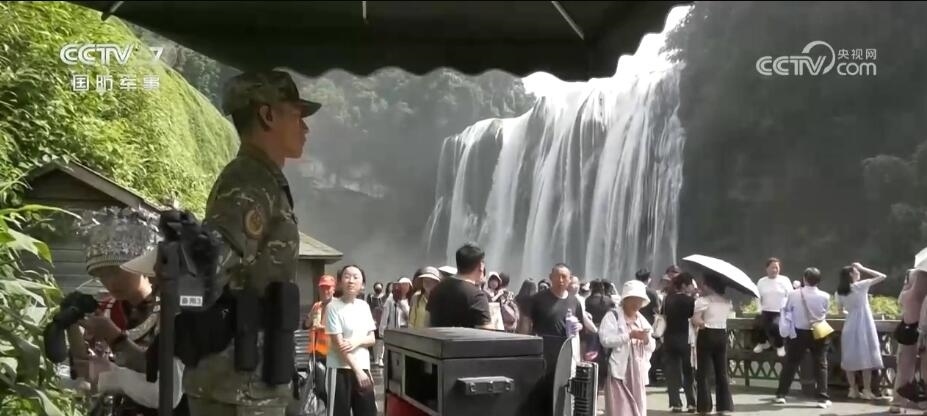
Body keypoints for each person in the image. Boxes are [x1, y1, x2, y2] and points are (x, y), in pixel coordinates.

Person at [182, 69, 319, 416]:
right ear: (267, 114)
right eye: (297, 115)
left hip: (250, 376)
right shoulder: (250, 182)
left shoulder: (262, 180)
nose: (305, 128)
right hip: (237, 385)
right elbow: (208, 272)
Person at [69, 207, 185, 415]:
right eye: (101, 275)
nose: (110, 282)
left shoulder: (172, 309)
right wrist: (71, 324)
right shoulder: (106, 309)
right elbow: (84, 372)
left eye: (116, 271)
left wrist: (114, 339)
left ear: (142, 266)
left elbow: (166, 387)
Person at [518, 263, 586, 415]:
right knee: (540, 395)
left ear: (570, 279)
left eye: (564, 277)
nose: (560, 280)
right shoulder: (537, 299)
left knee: (562, 395)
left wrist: (580, 358)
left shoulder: (575, 302)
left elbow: (582, 334)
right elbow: (525, 328)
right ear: (550, 277)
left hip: (566, 355)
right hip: (543, 355)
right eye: (557, 276)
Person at [774, 267, 832, 409]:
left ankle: (781, 395)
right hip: (819, 332)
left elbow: (787, 309)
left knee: (791, 363)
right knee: (821, 364)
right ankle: (822, 398)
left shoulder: (794, 294)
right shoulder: (825, 296)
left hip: (799, 333)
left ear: (805, 279)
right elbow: (825, 312)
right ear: (818, 280)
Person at [325, 265, 378, 416]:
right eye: (347, 276)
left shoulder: (364, 306)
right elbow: (339, 344)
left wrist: (356, 341)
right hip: (339, 370)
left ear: (363, 284)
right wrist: (358, 371)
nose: (351, 281)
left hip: (363, 368)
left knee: (367, 412)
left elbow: (372, 338)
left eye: (356, 277)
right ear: (340, 282)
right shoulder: (333, 307)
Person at [599, 280, 656, 416]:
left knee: (638, 407)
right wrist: (629, 335)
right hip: (618, 370)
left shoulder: (642, 320)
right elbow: (605, 340)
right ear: (625, 299)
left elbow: (651, 346)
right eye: (633, 299)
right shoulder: (612, 316)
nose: (636, 304)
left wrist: (646, 339)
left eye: (639, 300)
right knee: (620, 409)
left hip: (637, 372)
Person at [836, 262, 887, 400]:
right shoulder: (861, 286)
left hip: (849, 325)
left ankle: (852, 389)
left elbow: (840, 312)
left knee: (849, 357)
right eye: (857, 271)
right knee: (866, 357)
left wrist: (852, 312)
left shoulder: (840, 291)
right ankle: (867, 390)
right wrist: (863, 267)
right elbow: (882, 276)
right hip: (864, 324)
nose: (859, 273)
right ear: (851, 274)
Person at [691, 273, 733, 415]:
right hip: (722, 334)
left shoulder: (703, 301)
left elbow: (696, 320)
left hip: (707, 334)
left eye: (704, 284)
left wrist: (701, 323)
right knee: (722, 371)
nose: (702, 286)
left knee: (703, 372)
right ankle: (724, 406)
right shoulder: (726, 301)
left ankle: (704, 407)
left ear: (710, 286)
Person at [427, 243, 492, 328]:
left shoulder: (437, 288)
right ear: (480, 266)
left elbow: (426, 322)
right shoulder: (477, 297)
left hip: (435, 336)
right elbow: (486, 332)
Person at [891, 268, 927, 413]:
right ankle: (924, 403)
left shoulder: (906, 293)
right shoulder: (921, 295)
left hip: (907, 330)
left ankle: (898, 402)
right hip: (921, 331)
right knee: (925, 370)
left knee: (904, 369)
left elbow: (902, 303)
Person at [662, 272, 697, 413]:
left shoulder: (667, 299)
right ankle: (691, 403)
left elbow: (663, 316)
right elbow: (693, 318)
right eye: (690, 284)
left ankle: (675, 403)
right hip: (685, 339)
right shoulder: (690, 301)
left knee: (672, 372)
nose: (692, 287)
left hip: (669, 338)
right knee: (688, 371)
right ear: (684, 285)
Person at [752, 257, 792, 357]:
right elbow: (757, 297)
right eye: (772, 267)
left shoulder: (785, 280)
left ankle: (780, 346)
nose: (774, 270)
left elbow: (791, 295)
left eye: (776, 267)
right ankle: (763, 343)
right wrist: (759, 308)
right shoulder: (761, 281)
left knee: (775, 326)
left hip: (780, 311)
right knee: (758, 324)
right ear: (767, 269)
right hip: (765, 310)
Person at [365, 282, 386, 367]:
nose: (378, 290)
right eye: (377, 288)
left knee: (381, 340)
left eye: (379, 288)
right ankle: (376, 358)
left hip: (382, 320)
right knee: (374, 340)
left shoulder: (385, 297)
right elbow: (368, 308)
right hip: (373, 320)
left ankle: (381, 358)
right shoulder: (370, 297)